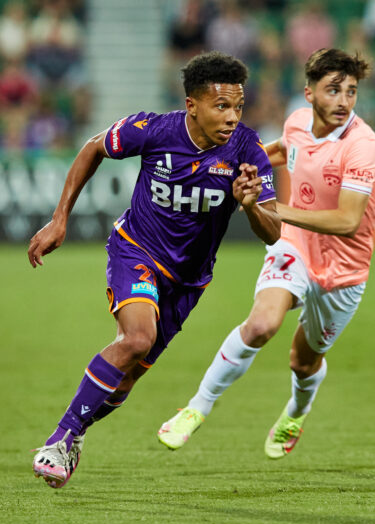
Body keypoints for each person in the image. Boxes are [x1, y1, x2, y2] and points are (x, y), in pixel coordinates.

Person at [28, 51, 280, 488]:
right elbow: (94, 147)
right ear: (192, 105)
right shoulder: (154, 129)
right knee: (137, 339)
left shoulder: (248, 150)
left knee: (127, 378)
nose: (233, 116)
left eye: (239, 106)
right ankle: (60, 437)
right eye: (222, 106)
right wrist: (60, 217)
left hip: (189, 281)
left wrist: (250, 205)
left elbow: (273, 232)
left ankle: (78, 434)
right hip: (137, 251)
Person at [157, 48, 375, 459]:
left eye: (351, 92)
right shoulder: (297, 122)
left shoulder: (362, 146)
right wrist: (235, 164)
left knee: (303, 360)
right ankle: (196, 408)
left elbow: (349, 221)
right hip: (294, 245)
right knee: (261, 325)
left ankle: (296, 411)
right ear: (309, 93)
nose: (344, 101)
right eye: (333, 90)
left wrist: (275, 207)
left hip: (344, 270)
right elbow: (276, 153)